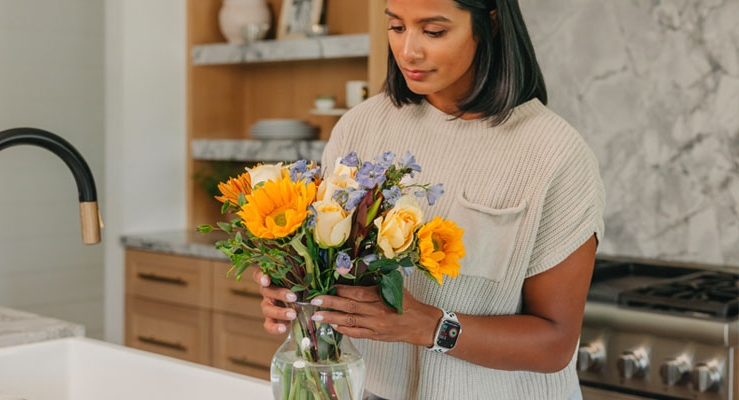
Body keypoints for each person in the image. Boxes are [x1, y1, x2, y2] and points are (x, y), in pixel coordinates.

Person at [253, 0, 605, 399]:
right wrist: (292, 291)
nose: (408, 51)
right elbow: (333, 274)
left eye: (433, 31)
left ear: (488, 23)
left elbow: (555, 343)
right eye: (397, 27)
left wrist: (430, 326)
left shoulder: (555, 154)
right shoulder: (361, 127)